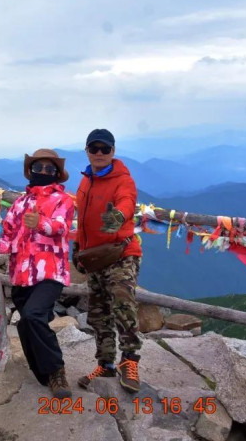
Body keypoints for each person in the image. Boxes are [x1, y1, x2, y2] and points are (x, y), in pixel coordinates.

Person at [0, 149, 74, 399]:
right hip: (21, 275)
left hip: (50, 273)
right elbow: (7, 239)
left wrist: (41, 224)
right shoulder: (19, 204)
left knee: (33, 316)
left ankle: (57, 371)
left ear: (57, 173)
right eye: (39, 168)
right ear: (30, 171)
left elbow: (62, 227)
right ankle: (42, 373)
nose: (43, 172)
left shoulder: (63, 200)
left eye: (50, 169)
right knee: (26, 323)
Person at [74, 128, 143, 393]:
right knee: (98, 312)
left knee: (122, 301)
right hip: (95, 257)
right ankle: (106, 364)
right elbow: (82, 221)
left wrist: (119, 216)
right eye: (94, 148)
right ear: (87, 151)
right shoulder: (86, 181)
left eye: (105, 149)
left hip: (120, 253)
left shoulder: (123, 180)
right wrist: (78, 248)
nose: (99, 153)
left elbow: (127, 202)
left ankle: (130, 361)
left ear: (113, 151)